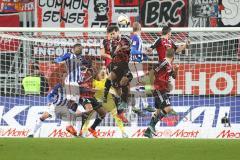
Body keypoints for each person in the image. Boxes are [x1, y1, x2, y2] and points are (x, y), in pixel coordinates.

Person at [80, 66, 128, 138]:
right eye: (102, 69)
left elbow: (114, 89)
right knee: (89, 115)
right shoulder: (93, 81)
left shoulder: (108, 80)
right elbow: (89, 90)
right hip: (97, 99)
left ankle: (123, 133)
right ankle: (84, 131)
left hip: (108, 100)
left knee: (116, 116)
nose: (103, 71)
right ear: (99, 71)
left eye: (105, 69)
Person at [144, 48, 179, 138]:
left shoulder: (169, 65)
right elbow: (152, 71)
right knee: (168, 108)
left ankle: (148, 131)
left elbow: (174, 76)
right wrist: (150, 85)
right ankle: (152, 125)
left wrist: (176, 69)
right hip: (158, 89)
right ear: (173, 56)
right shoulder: (163, 63)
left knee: (158, 110)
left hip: (162, 89)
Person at [102, 25, 132, 122]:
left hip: (123, 66)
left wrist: (120, 48)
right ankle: (105, 98)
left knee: (125, 88)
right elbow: (112, 54)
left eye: (113, 33)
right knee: (117, 90)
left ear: (118, 32)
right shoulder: (111, 43)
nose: (112, 36)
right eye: (111, 34)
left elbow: (128, 46)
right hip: (115, 65)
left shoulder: (125, 38)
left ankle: (120, 111)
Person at [129, 22, 155, 116]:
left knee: (139, 85)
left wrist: (144, 52)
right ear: (140, 28)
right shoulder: (135, 37)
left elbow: (137, 50)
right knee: (143, 83)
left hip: (136, 63)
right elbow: (132, 50)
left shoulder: (135, 37)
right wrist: (142, 53)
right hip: (134, 63)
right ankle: (144, 105)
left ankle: (138, 106)